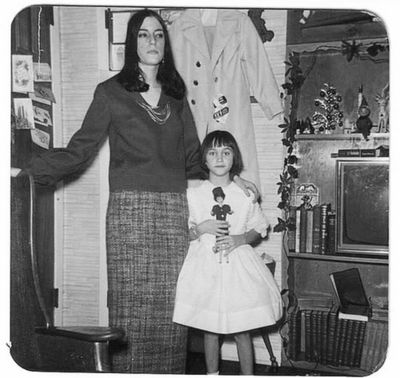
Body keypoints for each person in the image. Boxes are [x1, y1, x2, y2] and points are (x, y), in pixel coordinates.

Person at [11, 9, 259, 374]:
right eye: (143, 35)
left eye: (158, 35)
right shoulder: (110, 93)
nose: (152, 42)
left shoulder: (177, 98)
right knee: (131, 309)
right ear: (132, 43)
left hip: (174, 212)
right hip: (130, 215)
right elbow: (80, 151)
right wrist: (26, 173)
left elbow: (195, 158)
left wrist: (235, 178)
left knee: (173, 311)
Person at [173, 130, 283, 375]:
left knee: (242, 329)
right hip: (206, 268)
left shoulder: (245, 195)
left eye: (226, 152)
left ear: (234, 158)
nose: (219, 158)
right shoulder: (193, 195)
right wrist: (202, 228)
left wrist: (240, 238)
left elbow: (260, 227)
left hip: (238, 268)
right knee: (209, 329)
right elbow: (185, 233)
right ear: (204, 159)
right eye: (212, 152)